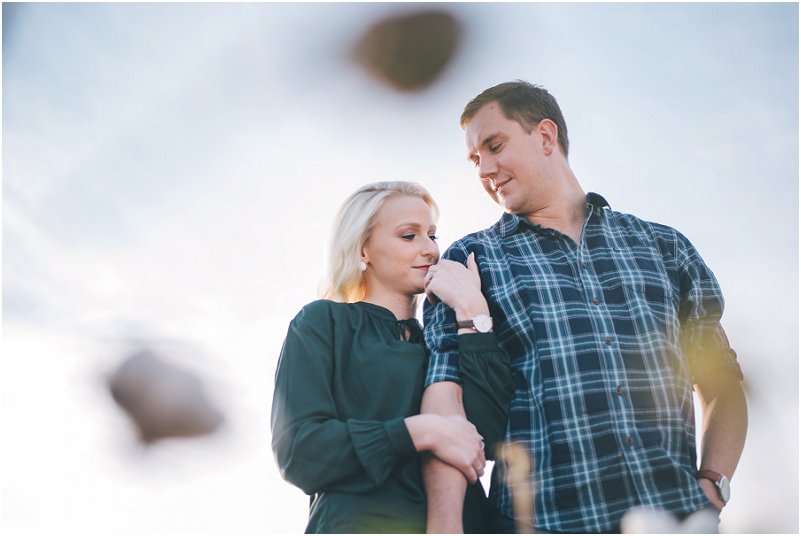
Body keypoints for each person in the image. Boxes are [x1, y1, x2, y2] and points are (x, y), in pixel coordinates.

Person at [420, 81, 748, 533]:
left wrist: (713, 486)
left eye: (494, 146)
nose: (485, 169)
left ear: (546, 136)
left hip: (676, 520)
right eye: (476, 159)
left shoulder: (664, 247)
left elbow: (722, 383)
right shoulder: (468, 263)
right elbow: (447, 413)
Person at [270, 181, 514, 533]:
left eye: (432, 235)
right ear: (363, 249)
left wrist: (472, 310)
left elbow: (493, 438)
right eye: (408, 236)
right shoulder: (322, 323)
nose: (430, 249)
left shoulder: (447, 338)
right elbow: (300, 454)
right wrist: (420, 431)